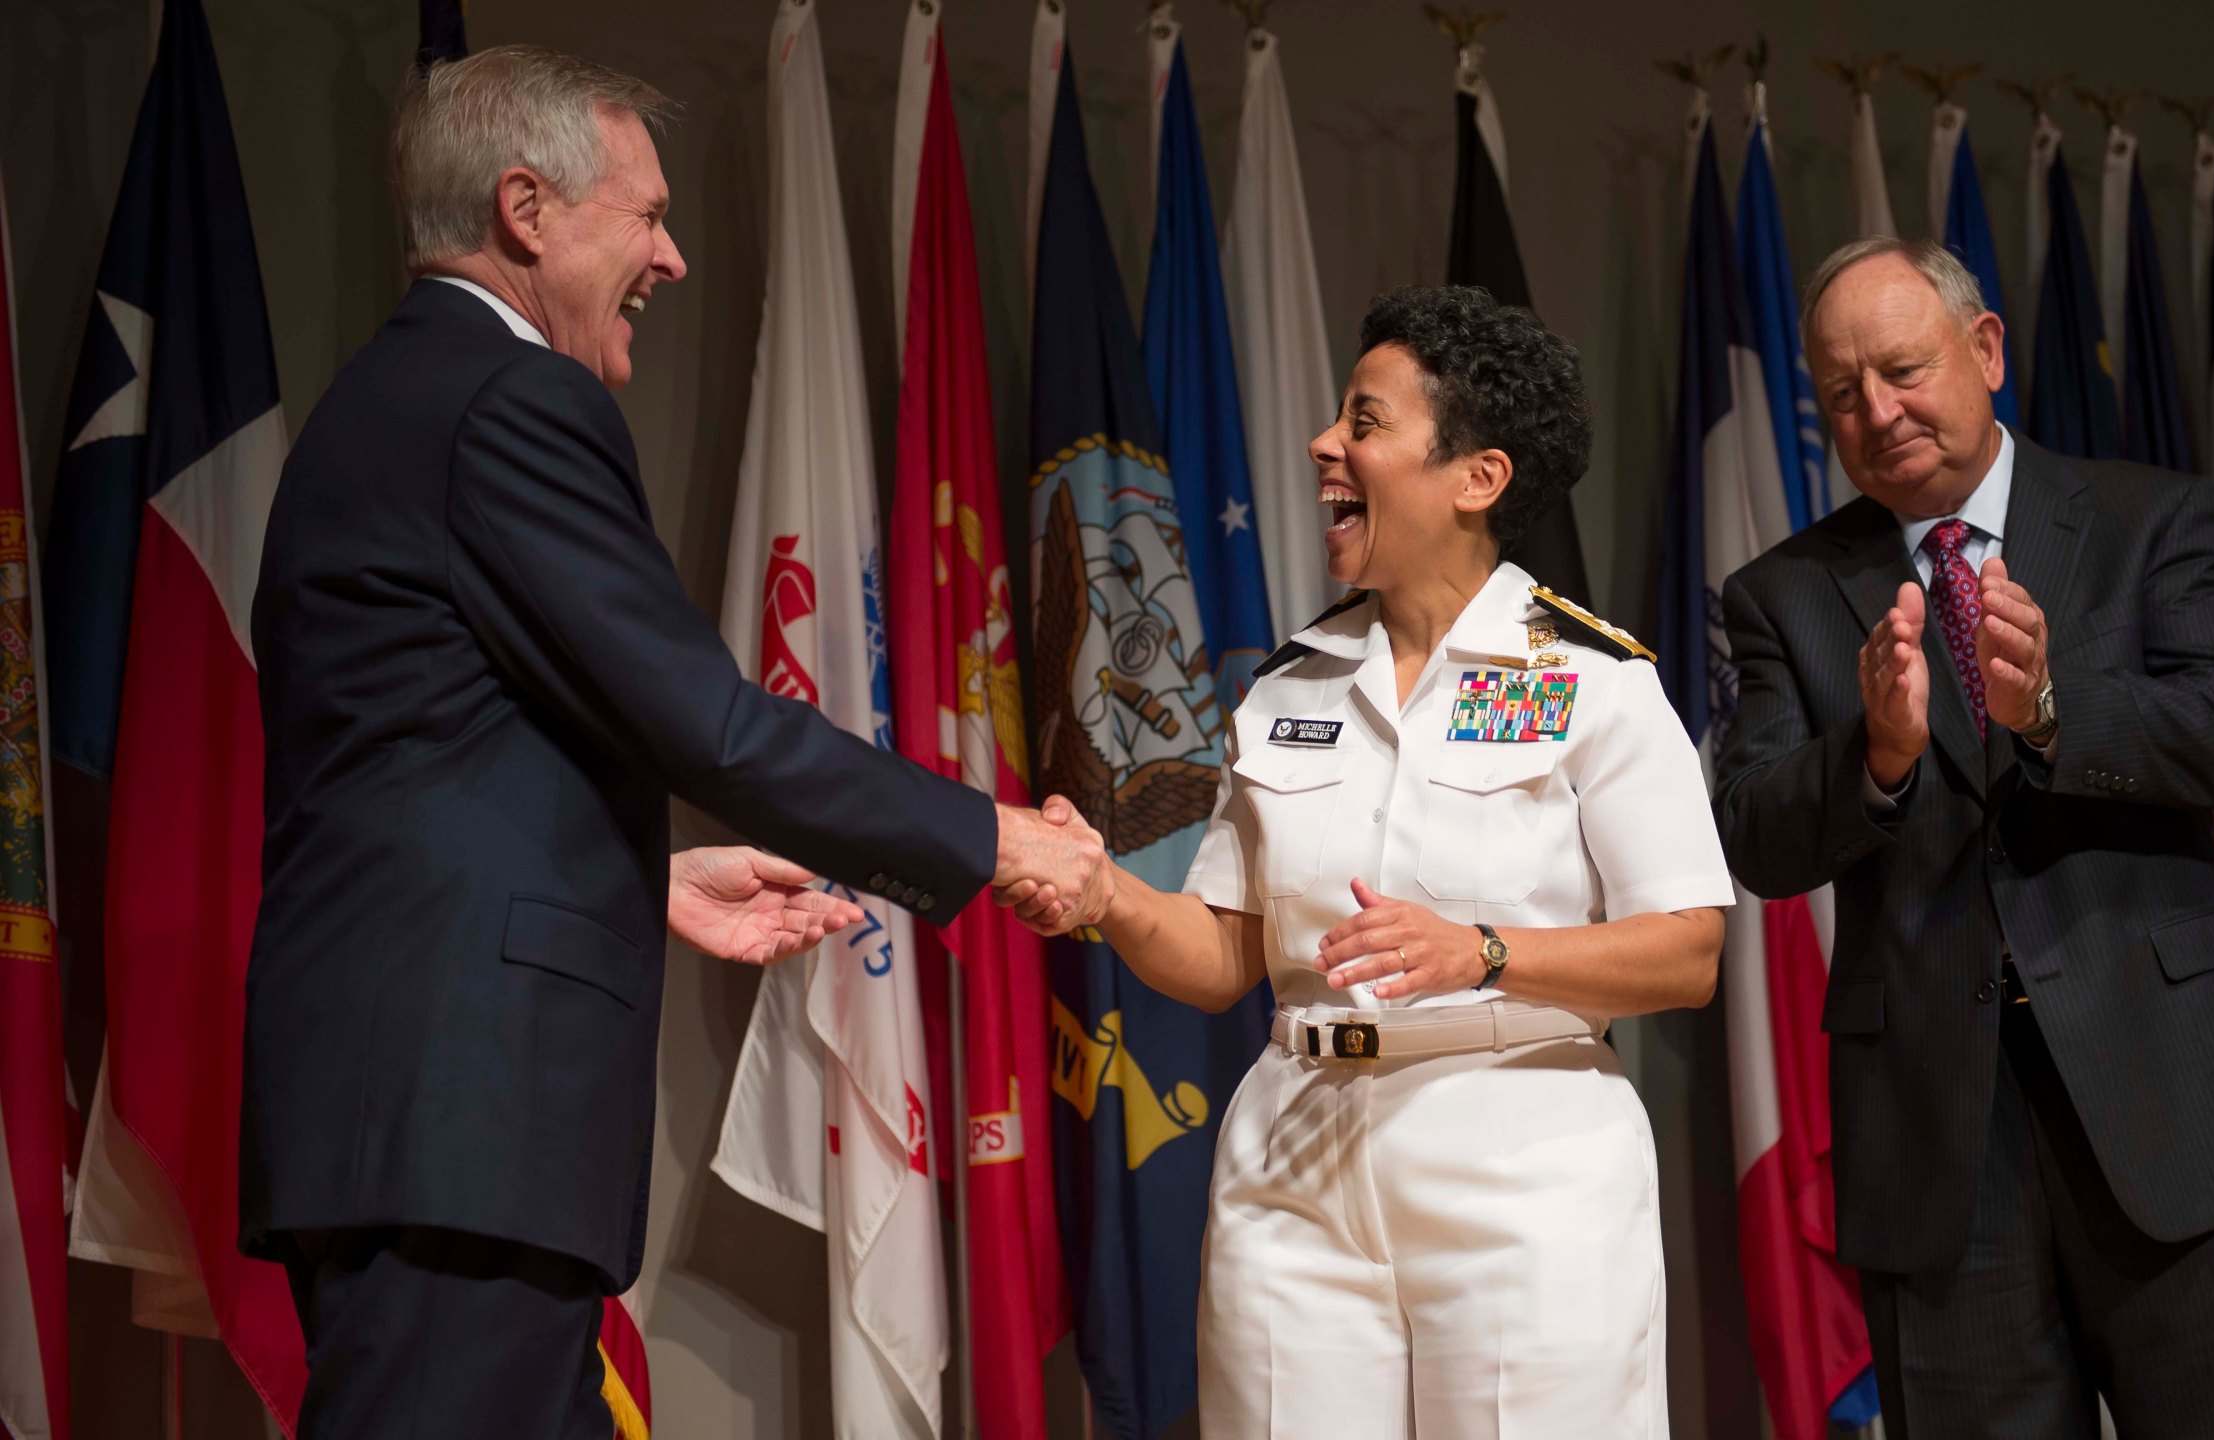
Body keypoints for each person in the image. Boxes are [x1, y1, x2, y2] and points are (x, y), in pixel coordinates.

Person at [241, 47, 1099, 1438]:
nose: (676, 256)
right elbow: (707, 722)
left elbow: (414, 759)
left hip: (430, 1121)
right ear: (527, 208)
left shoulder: (399, 403)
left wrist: (636, 879)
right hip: (455, 1126)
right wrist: (990, 837)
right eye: (646, 215)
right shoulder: (505, 400)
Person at [1026, 286, 1730, 1437]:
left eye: (1365, 420)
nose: (1324, 444)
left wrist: (1483, 952)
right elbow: (1224, 956)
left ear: (1476, 477)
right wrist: (1104, 893)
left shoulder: (1595, 678)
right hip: (1293, 1162)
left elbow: (1688, 951)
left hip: (1521, 1160)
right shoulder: (1288, 687)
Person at [1713, 237, 2214, 1439]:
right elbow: (1754, 836)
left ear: (1984, 349)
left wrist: (2052, 709)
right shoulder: (1779, 593)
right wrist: (1877, 757)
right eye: (1843, 394)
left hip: (2181, 1115)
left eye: (1901, 370)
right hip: (1940, 1159)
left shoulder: (2148, 517)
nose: (1877, 411)